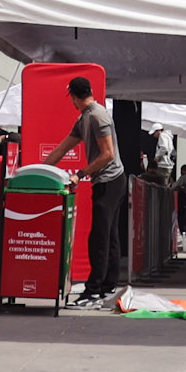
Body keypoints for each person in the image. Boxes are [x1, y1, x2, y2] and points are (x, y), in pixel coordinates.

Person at [46, 74, 127, 302]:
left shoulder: (97, 116)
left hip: (110, 181)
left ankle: (94, 290)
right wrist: (38, 172)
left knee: (99, 237)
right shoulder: (85, 118)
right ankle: (108, 285)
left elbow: (108, 154)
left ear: (72, 96)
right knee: (109, 235)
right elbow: (61, 149)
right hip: (109, 181)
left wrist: (80, 174)